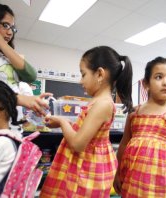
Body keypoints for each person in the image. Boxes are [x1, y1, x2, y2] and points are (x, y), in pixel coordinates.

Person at [39, 46, 133, 197]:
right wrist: (65, 123)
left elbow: (78, 143)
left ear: (100, 74)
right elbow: (86, 133)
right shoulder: (98, 100)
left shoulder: (102, 104)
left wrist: (63, 123)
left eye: (83, 74)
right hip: (83, 164)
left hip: (86, 168)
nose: (80, 81)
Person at [114, 57, 166, 197]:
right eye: (159, 77)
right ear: (145, 84)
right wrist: (117, 172)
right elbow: (124, 144)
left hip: (163, 183)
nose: (165, 82)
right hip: (132, 179)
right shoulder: (134, 113)